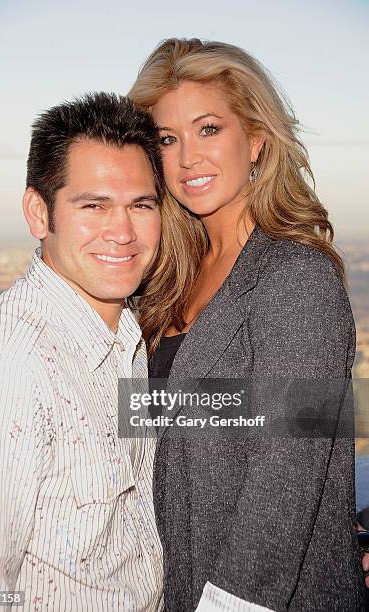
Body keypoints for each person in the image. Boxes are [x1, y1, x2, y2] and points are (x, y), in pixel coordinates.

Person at [129, 38, 366, 611]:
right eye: (167, 139)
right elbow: (151, 433)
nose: (187, 157)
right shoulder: (164, 281)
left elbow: (286, 478)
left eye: (209, 129)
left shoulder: (296, 278)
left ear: (256, 139)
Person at [0, 93, 164, 610]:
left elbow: (233, 415)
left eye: (141, 205)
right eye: (93, 205)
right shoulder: (7, 361)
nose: (122, 232)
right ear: (38, 212)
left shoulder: (125, 336)